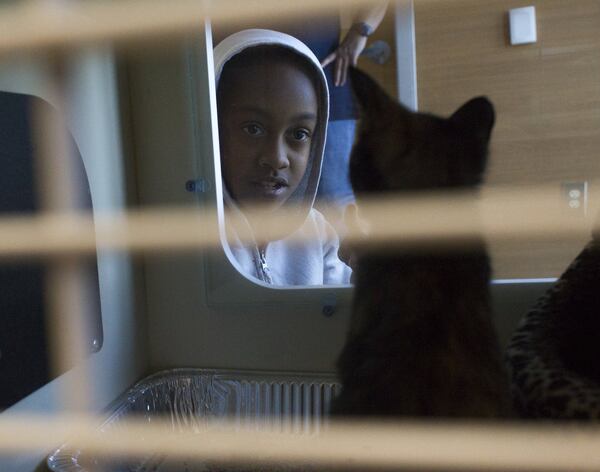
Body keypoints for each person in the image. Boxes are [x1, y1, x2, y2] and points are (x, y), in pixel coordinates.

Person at [214, 29, 351, 286]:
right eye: (253, 129)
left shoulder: (317, 234)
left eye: (299, 134)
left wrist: (374, 276)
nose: (276, 159)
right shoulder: (191, 238)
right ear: (213, 129)